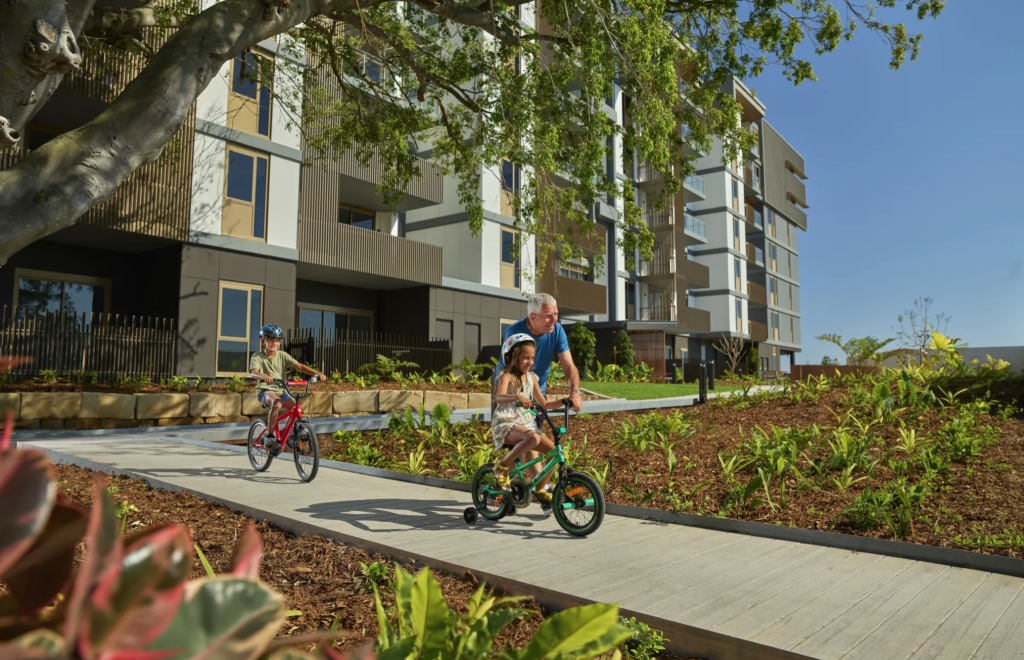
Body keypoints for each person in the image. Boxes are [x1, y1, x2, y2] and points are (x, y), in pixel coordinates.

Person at [491, 333, 566, 516]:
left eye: (532, 358)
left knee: (554, 451)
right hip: (506, 422)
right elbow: (498, 398)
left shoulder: (532, 378)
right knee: (532, 437)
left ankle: (540, 489)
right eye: (526, 357)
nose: (529, 361)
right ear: (514, 356)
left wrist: (565, 401)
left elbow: (545, 404)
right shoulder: (506, 375)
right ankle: (502, 466)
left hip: (525, 424)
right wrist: (517, 396)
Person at [495, 293, 584, 411]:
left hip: (537, 391)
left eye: (556, 314)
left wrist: (575, 392)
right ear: (532, 318)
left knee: (535, 428)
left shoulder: (557, 331)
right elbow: (510, 369)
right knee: (516, 427)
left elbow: (568, 365)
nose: (554, 319)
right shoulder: (514, 333)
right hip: (510, 393)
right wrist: (520, 397)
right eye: (548, 315)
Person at [249, 325, 325, 454]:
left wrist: (317, 374)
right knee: (277, 402)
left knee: (295, 408)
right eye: (271, 340)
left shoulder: (283, 355)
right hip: (265, 390)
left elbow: (299, 366)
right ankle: (270, 436)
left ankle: (286, 433)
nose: (275, 343)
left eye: (277, 340)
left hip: (281, 389)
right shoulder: (257, 356)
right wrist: (263, 376)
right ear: (263, 341)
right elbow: (253, 372)